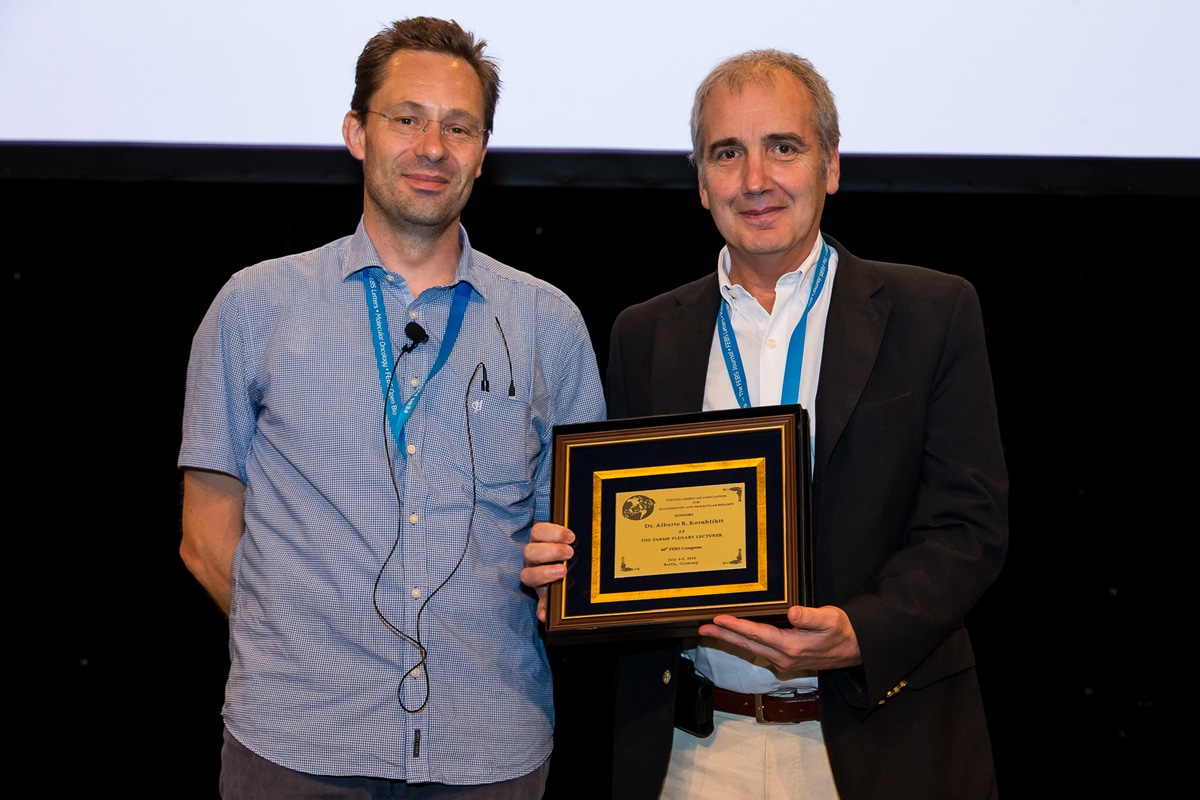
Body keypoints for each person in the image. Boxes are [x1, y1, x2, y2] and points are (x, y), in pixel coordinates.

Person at [523, 49, 1008, 800]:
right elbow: (627, 535)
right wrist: (573, 571)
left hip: (879, 739)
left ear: (831, 165)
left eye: (783, 147)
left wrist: (861, 631)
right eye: (728, 153)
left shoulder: (932, 313)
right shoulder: (644, 333)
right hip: (692, 751)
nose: (755, 179)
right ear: (701, 181)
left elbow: (970, 526)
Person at [179, 16, 605, 798]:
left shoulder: (549, 324)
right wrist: (301, 650)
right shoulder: (254, 307)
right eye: (406, 119)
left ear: (482, 153)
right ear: (355, 132)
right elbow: (205, 540)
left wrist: (567, 576)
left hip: (489, 750)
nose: (432, 147)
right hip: (295, 745)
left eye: (458, 127)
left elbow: (580, 551)